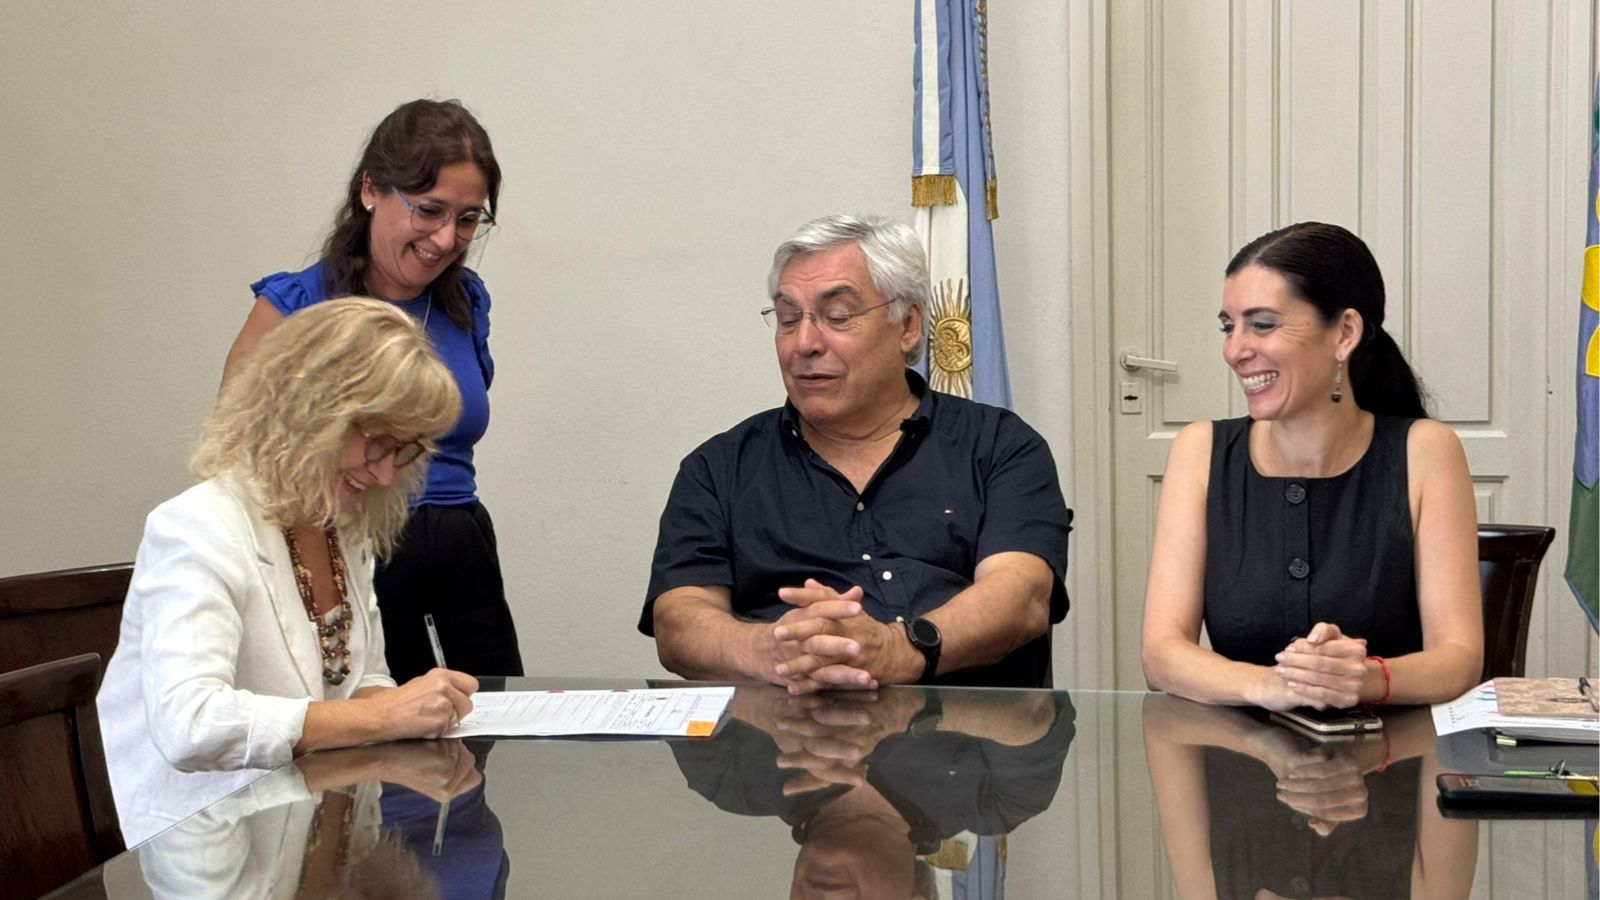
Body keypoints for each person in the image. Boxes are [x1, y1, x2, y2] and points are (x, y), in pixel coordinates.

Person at [100, 299, 480, 846]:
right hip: (201, 845)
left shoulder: (343, 529)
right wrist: (385, 717)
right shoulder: (197, 526)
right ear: (309, 410)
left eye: (403, 451)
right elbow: (192, 724)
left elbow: (362, 680)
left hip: (307, 830)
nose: (383, 474)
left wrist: (411, 705)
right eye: (377, 441)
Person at [640, 214, 1072, 692]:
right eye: (788, 319)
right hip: (780, 726)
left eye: (838, 316)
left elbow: (1021, 596)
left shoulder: (1000, 447)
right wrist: (777, 651)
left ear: (908, 326)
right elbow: (678, 621)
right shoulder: (718, 468)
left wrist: (895, 650)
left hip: (964, 731)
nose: (805, 343)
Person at [222, 98, 521, 682]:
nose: (446, 238)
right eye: (429, 210)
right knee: (383, 717)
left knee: (499, 714)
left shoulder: (465, 302)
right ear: (370, 190)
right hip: (351, 546)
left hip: (462, 544)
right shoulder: (297, 305)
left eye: (468, 219)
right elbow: (239, 454)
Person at [1141, 222, 1483, 711]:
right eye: (1228, 327)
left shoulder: (1426, 450)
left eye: (1262, 324)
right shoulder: (1200, 449)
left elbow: (1459, 659)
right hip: (1235, 752)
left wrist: (1363, 678)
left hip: (1389, 750)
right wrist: (1274, 686)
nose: (1235, 350)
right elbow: (1161, 654)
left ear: (1345, 333)